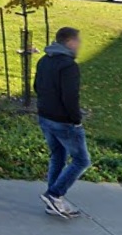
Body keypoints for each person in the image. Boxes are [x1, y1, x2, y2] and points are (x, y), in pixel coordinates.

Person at [34, 26, 91, 218]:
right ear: (70, 42)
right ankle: (54, 194)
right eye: (78, 41)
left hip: (45, 117)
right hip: (64, 122)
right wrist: (76, 120)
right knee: (81, 160)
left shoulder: (44, 60)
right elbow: (70, 96)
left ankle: (53, 203)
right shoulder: (68, 66)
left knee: (58, 156)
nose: (80, 44)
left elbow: (36, 87)